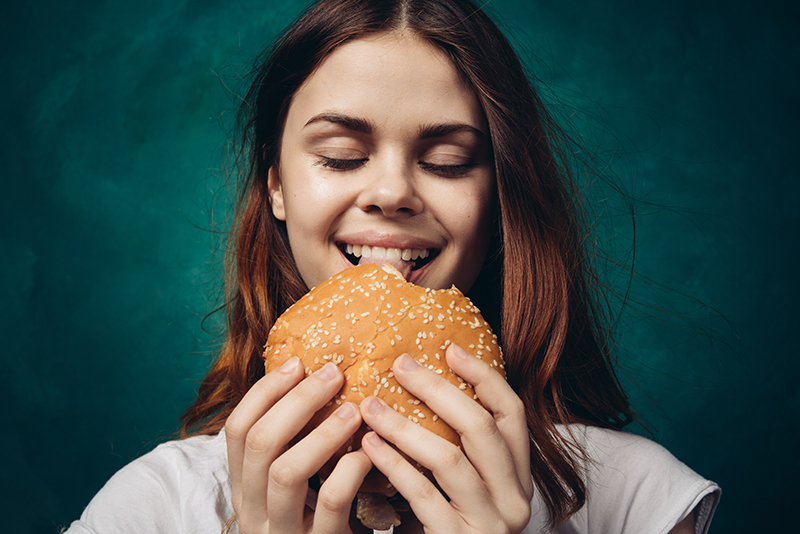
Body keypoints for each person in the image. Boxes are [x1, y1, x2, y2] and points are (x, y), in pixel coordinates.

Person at [63, 0, 720, 533]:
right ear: (277, 188)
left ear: (498, 201)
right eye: (343, 155)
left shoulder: (636, 504)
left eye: (447, 161)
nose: (392, 192)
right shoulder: (152, 509)